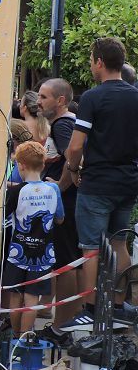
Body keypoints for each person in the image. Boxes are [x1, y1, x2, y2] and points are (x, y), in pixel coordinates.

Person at [63, 37, 138, 331]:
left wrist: (72, 168)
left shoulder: (93, 98)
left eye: (92, 60)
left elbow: (75, 145)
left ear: (99, 62)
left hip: (97, 182)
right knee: (120, 243)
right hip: (128, 182)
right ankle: (119, 304)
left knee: (90, 248)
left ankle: (92, 309)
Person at [1, 142, 64, 336]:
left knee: (15, 295)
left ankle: (14, 335)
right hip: (43, 252)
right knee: (32, 297)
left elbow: (5, 216)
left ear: (20, 165)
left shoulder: (17, 191)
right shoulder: (53, 189)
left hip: (18, 251)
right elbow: (60, 219)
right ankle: (25, 336)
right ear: (43, 165)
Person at [36, 77, 82, 341]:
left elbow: (71, 156)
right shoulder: (70, 122)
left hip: (67, 203)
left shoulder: (63, 125)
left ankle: (61, 326)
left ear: (60, 100)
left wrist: (60, 188)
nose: (39, 102)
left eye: (44, 97)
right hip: (72, 201)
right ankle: (67, 324)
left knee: (65, 265)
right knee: (69, 263)